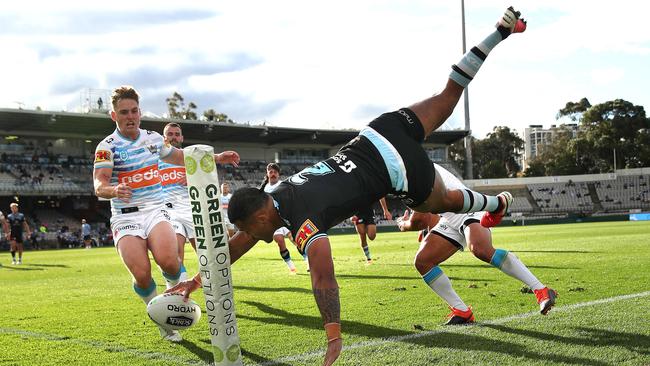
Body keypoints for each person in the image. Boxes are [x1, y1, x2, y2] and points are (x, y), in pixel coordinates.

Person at [168, 8, 526, 365]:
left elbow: (324, 279)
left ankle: (493, 204)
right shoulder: (272, 196)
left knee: (442, 201)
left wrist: (333, 335)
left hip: (397, 170)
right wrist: (197, 281)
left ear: (261, 216)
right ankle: (498, 32)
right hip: (377, 133)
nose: (249, 236)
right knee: (449, 92)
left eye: (248, 228)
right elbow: (238, 244)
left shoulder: (303, 225)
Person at [93, 85, 239, 342]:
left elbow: (181, 156)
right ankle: (162, 320)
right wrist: (114, 190)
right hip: (126, 217)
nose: (130, 116)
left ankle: (173, 307)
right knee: (141, 274)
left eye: (134, 111)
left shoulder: (152, 139)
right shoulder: (107, 147)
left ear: (140, 112)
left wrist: (217, 157)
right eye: (124, 112)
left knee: (171, 262)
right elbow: (99, 185)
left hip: (155, 211)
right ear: (114, 115)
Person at [396, 164, 557, 325]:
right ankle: (461, 311)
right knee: (423, 261)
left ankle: (542, 290)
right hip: (450, 217)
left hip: (467, 208)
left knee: (481, 249)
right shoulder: (405, 165)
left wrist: (403, 224)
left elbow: (420, 220)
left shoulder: (408, 169)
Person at [159, 122, 196, 282]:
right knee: (175, 251)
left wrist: (194, 177)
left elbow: (209, 180)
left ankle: (207, 281)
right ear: (164, 137)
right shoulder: (155, 159)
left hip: (192, 209)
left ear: (181, 137)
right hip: (170, 211)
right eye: (170, 134)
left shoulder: (190, 159)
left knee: (205, 253)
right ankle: (179, 287)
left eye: (176, 134)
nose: (173, 137)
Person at [260, 162, 306, 274]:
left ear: (278, 174)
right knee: (280, 242)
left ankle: (307, 260)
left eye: (275, 172)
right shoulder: (264, 189)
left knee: (295, 240)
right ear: (267, 174)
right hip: (273, 220)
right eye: (270, 172)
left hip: (286, 217)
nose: (273, 174)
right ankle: (291, 266)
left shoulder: (283, 184)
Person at [351, 197, 392, 264]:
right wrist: (351, 215)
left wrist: (385, 210)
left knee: (372, 236)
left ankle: (367, 227)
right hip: (357, 214)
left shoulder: (371, 187)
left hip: (369, 213)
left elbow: (381, 196)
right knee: (362, 235)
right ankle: (368, 258)